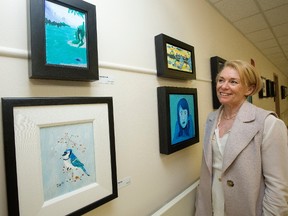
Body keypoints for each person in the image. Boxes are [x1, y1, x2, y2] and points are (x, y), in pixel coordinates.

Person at [195, 60, 288, 216]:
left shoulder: (268, 123)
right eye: (221, 80)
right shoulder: (211, 119)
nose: (223, 86)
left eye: (233, 82)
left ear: (249, 89)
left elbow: (278, 186)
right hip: (213, 205)